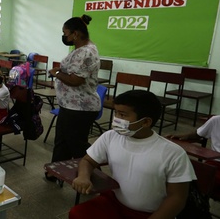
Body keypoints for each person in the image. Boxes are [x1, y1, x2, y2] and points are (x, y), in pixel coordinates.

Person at [70, 90, 195, 219]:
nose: (116, 119)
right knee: (77, 214)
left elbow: (177, 198)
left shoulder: (173, 153)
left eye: (123, 115)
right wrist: (83, 176)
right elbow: (88, 161)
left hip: (150, 213)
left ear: (146, 122)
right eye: (116, 113)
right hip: (115, 203)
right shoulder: (110, 137)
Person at [46, 14, 100, 180]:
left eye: (66, 33)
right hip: (70, 106)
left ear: (75, 34)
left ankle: (96, 177)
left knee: (77, 145)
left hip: (80, 108)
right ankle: (55, 172)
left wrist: (56, 73)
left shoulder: (85, 52)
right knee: (62, 142)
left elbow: (75, 80)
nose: (64, 37)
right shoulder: (81, 50)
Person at [167, 115, 220, 193]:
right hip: (215, 162)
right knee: (191, 177)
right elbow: (198, 133)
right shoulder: (216, 120)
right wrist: (186, 136)